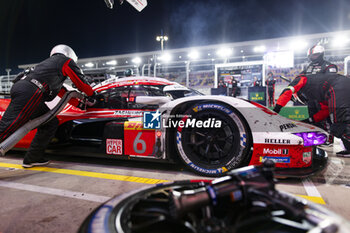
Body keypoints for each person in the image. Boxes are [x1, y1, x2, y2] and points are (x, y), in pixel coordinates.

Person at [0, 44, 95, 167]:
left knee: (50, 123)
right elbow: (81, 83)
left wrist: (81, 105)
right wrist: (93, 95)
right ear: (69, 55)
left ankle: (33, 157)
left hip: (29, 91)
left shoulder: (50, 70)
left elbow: (65, 94)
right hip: (31, 92)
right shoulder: (65, 61)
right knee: (7, 127)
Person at [273, 73, 350, 157]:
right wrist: (308, 120)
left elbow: (287, 91)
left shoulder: (301, 79)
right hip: (341, 85)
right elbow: (325, 110)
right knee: (341, 121)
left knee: (340, 123)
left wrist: (276, 110)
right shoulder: (318, 93)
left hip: (337, 86)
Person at [301, 44, 338, 145]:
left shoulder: (329, 66)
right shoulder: (309, 68)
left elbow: (331, 81)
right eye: (311, 56)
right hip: (311, 98)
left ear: (320, 54)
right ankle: (318, 139)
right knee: (313, 118)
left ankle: (328, 139)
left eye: (314, 56)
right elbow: (301, 79)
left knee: (326, 119)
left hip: (324, 98)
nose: (312, 58)